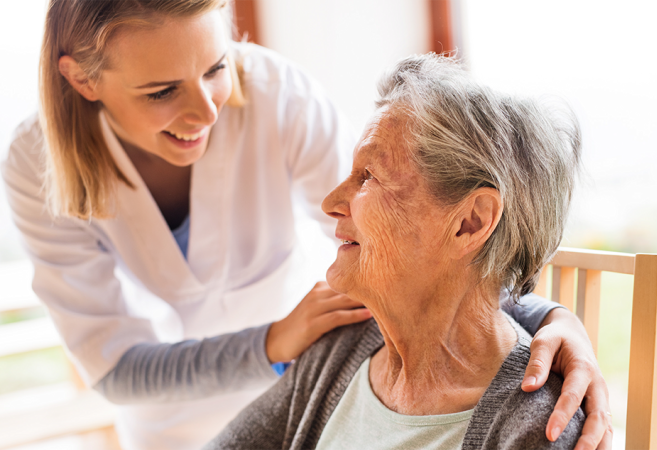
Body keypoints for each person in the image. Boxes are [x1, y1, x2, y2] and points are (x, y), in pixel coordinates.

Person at [1, 1, 610, 449]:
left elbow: (420, 239)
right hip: (189, 414)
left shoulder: (273, 93)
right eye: (161, 91)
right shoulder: (34, 165)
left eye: (217, 67)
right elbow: (115, 365)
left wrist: (551, 319)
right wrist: (273, 344)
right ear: (82, 79)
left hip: (318, 357)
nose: (207, 109)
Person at [205, 54, 593, 450]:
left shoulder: (537, 429)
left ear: (470, 223)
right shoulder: (341, 348)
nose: (331, 202)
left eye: (369, 176)